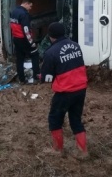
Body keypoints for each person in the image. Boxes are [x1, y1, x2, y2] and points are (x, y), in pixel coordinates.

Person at [41, 22, 88, 157]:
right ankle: (83, 151)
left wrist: (41, 75)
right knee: (76, 120)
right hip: (81, 89)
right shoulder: (76, 45)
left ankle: (57, 150)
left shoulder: (50, 52)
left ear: (50, 36)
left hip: (65, 92)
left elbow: (47, 78)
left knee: (55, 120)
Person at [9, 0, 39, 84]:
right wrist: (31, 42)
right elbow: (26, 29)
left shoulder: (14, 11)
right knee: (35, 54)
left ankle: (21, 79)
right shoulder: (24, 14)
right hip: (24, 39)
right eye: (30, 6)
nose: (30, 8)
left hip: (16, 39)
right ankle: (36, 77)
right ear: (26, 3)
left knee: (20, 59)